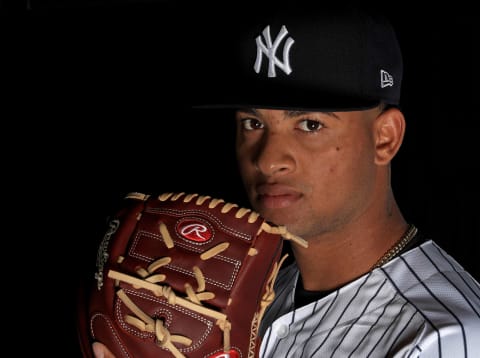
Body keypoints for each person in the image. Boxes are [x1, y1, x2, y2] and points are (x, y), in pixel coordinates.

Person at [91, 3, 480, 357]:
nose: (268, 159)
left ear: (385, 138)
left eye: (310, 124)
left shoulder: (441, 339)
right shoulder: (243, 295)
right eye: (253, 123)